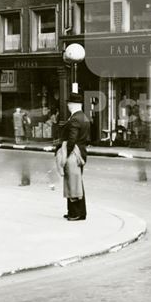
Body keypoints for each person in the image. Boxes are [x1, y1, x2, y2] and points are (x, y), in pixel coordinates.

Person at [59, 92, 90, 220]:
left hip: (74, 153)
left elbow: (72, 139)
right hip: (81, 152)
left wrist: (65, 155)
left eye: (68, 103)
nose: (67, 105)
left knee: (72, 181)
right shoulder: (84, 117)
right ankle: (77, 211)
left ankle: (76, 213)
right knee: (76, 181)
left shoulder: (75, 119)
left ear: (71, 104)